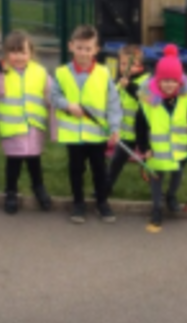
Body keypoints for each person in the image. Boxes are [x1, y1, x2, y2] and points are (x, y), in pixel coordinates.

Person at [51, 25, 122, 224]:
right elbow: (54, 96)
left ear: (96, 50)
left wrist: (115, 127)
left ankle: (102, 202)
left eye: (88, 48)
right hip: (73, 136)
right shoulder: (62, 72)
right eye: (80, 47)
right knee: (76, 170)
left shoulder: (104, 73)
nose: (84, 53)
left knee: (100, 170)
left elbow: (113, 103)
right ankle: (78, 204)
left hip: (97, 134)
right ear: (71, 46)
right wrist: (67, 105)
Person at [0, 31, 53, 215]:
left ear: (31, 53)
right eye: (13, 52)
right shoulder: (0, 71)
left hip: (34, 127)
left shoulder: (40, 72)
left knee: (34, 161)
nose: (19, 57)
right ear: (6, 53)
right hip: (12, 128)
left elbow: (50, 94)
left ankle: (39, 188)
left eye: (22, 52)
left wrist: (55, 106)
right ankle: (11, 192)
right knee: (13, 163)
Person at [139, 45, 187, 232]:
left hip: (179, 148)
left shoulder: (185, 98)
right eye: (165, 80)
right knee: (156, 179)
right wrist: (144, 146)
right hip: (156, 149)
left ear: (179, 82)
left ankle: (171, 196)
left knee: (177, 177)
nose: (169, 84)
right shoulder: (149, 102)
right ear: (158, 81)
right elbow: (141, 124)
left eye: (173, 81)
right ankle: (156, 208)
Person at [106, 44, 151, 195]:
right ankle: (106, 187)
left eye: (130, 64)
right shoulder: (121, 82)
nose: (125, 67)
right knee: (116, 162)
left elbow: (147, 99)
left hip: (143, 133)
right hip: (126, 134)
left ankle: (156, 191)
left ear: (140, 65)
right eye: (123, 64)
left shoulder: (146, 80)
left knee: (150, 163)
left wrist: (130, 86)